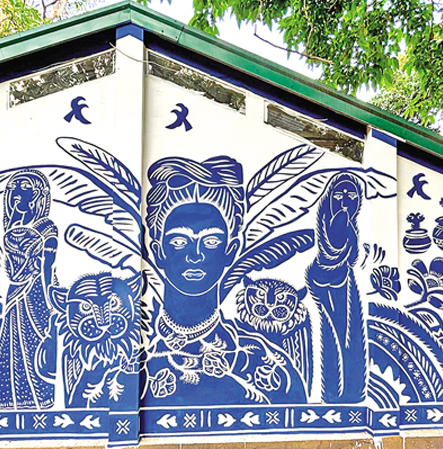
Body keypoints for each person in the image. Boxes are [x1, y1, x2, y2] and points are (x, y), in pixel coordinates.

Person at [142, 155, 306, 406]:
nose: (195, 255)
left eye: (210, 241)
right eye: (179, 241)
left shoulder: (265, 364)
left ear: (231, 250)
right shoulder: (134, 363)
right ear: (158, 251)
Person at [0, 170, 57, 410]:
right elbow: (11, 269)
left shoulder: (46, 227)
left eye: (24, 188)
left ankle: (39, 400)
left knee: (35, 345)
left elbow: (47, 267)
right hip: (15, 292)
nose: (16, 193)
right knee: (12, 346)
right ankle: (9, 402)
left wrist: (50, 302)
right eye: (13, 188)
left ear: (37, 195)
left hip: (37, 293)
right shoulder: (14, 225)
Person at [306, 173, 366, 403]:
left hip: (339, 279)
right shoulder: (339, 220)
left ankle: (342, 392)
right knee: (341, 337)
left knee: (344, 336)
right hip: (331, 282)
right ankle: (338, 393)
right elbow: (347, 256)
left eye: (351, 196)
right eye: (339, 195)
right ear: (330, 197)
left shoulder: (342, 220)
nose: (345, 201)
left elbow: (350, 258)